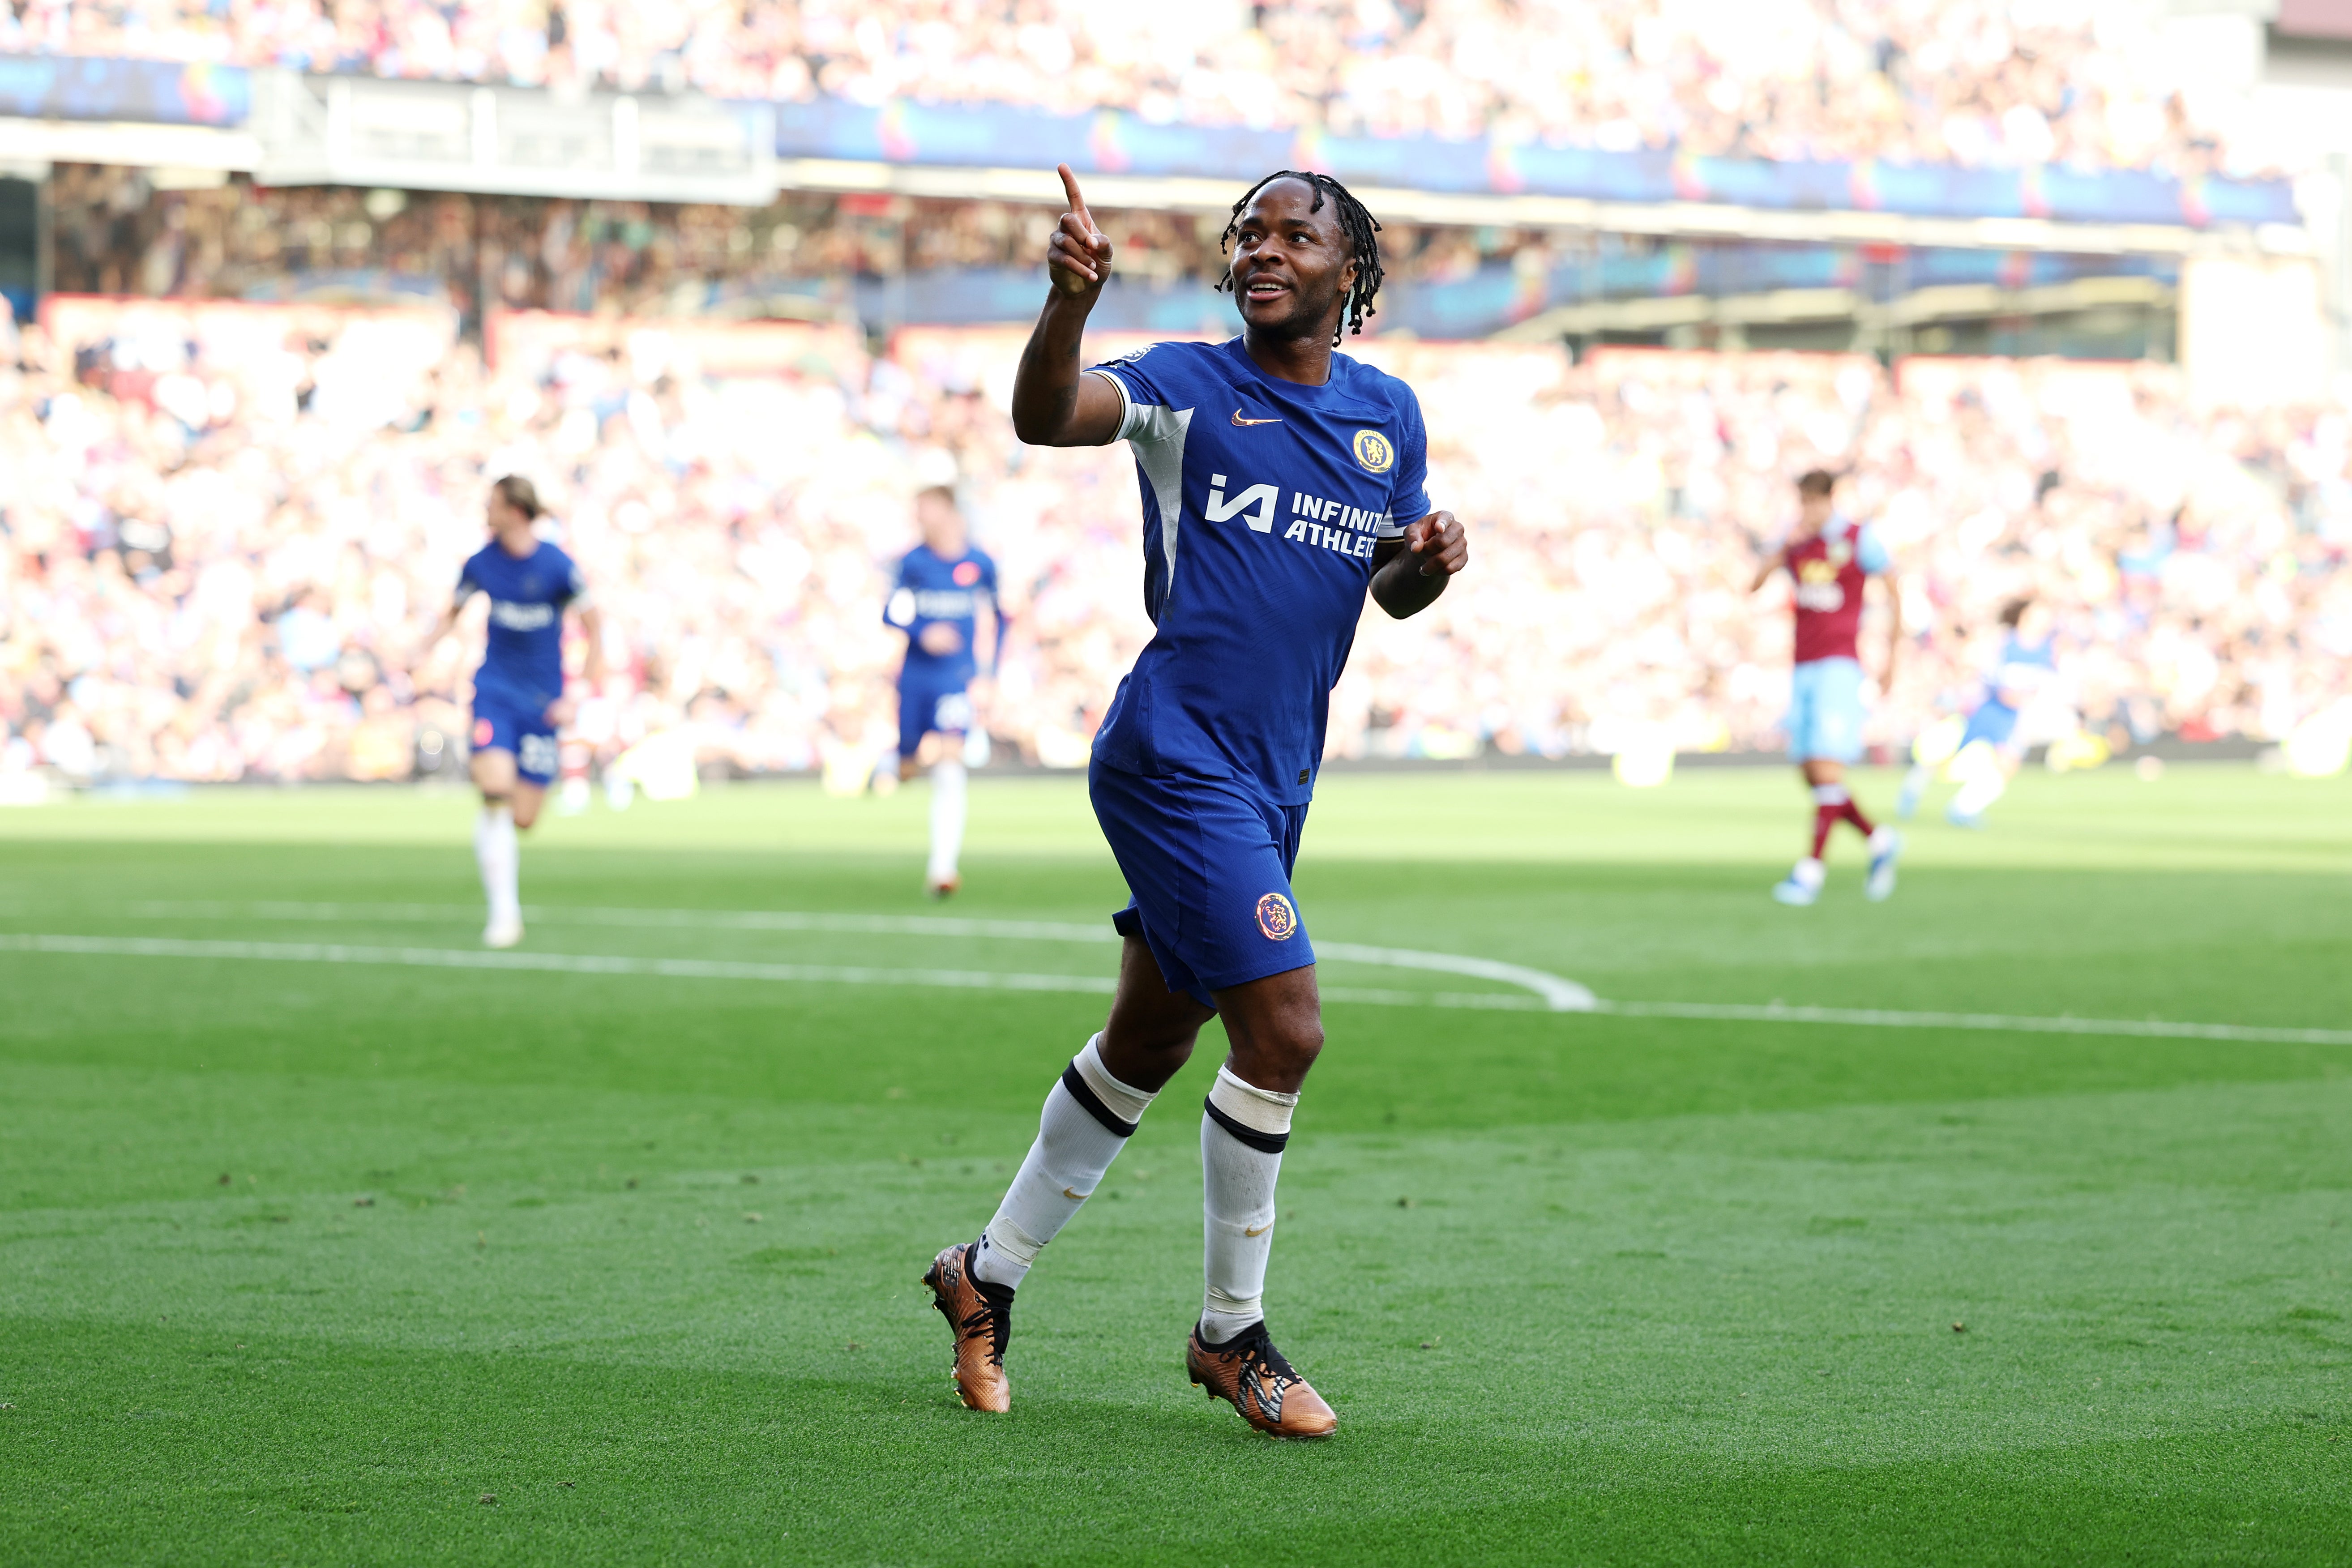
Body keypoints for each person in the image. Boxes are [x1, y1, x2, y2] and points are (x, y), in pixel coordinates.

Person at [919, 164, 1467, 1439]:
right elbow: (1047, 416)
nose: (1263, 248)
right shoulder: (1183, 384)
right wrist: (1067, 306)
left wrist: (1426, 560)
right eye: (1247, 233)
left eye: (1295, 233)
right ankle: (1231, 1331)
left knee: (1149, 1043)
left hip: (1276, 775)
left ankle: (983, 1269)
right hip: (1173, 754)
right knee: (1282, 1029)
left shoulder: (1385, 414)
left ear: (1351, 271)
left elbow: (1382, 593)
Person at [416, 476, 603, 948]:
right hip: (494, 690)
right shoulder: (481, 563)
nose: (486, 513)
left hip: (543, 702)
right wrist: (424, 653)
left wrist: (577, 692)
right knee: (495, 790)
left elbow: (595, 628)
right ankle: (504, 913)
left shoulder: (557, 566)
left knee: (523, 817)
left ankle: (505, 904)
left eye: (494, 506)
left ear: (516, 512)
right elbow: (453, 613)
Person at [1750, 469, 1902, 906]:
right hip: (1803, 666)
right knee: (1811, 773)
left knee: (1827, 768)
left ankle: (1809, 871)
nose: (1809, 510)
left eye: (1815, 502)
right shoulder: (1795, 544)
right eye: (1803, 503)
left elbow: (1893, 591)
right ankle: (1879, 840)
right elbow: (1755, 583)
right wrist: (1780, 545)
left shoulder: (1859, 539)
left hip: (1840, 666)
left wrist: (1892, 656)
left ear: (1829, 500)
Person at [883, 486, 1002, 897]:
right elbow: (890, 611)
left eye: (928, 510)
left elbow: (1001, 617)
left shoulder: (980, 563)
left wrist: (989, 673)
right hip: (916, 677)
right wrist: (921, 630)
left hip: (956, 677)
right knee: (909, 765)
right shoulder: (911, 563)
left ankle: (942, 869)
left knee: (951, 761)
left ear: (950, 512)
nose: (922, 518)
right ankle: (893, 765)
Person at [1897, 597, 2060, 828]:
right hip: (1985, 708)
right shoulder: (2005, 642)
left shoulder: (2045, 649)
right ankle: (1912, 791)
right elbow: (1987, 672)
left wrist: (2027, 699)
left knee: (2007, 764)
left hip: (2010, 718)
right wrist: (2002, 692)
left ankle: (1963, 809)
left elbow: (2041, 683)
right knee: (1945, 753)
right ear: (2026, 616)